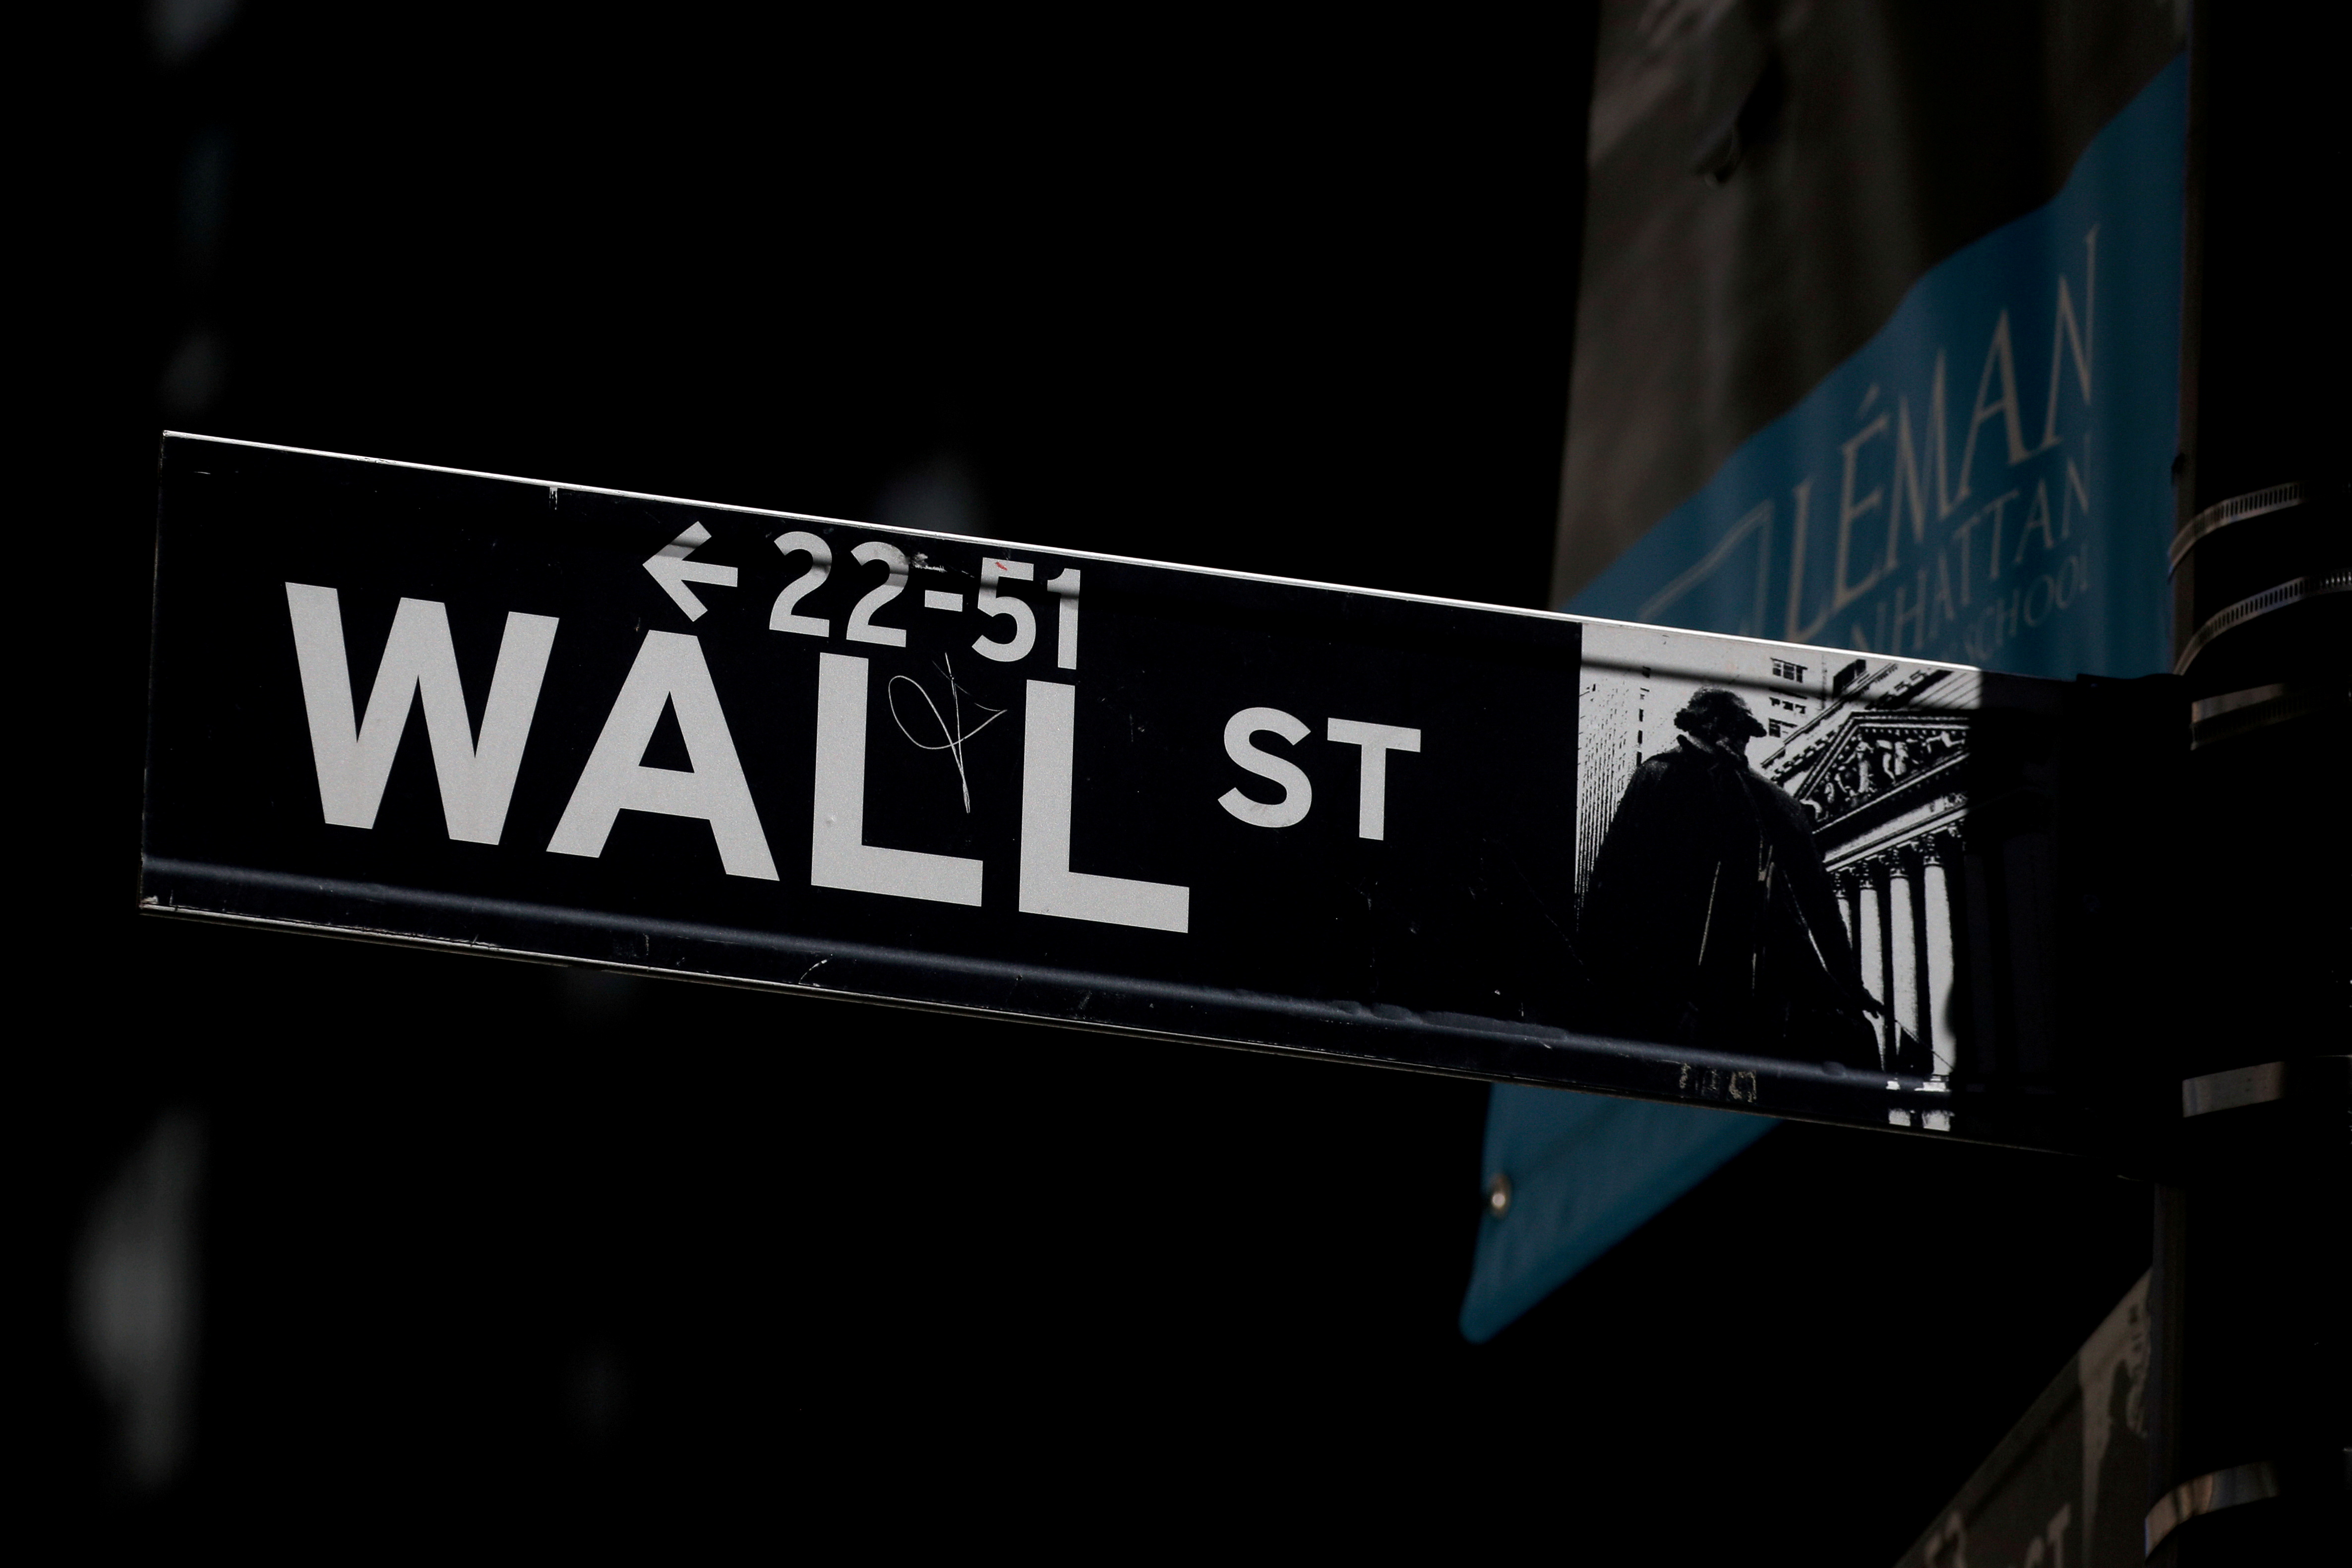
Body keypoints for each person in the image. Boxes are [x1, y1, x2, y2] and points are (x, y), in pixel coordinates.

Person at [1578, 688, 1881, 1067]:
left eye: (1747, 733)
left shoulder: (1766, 797)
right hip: (1664, 975)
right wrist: (1602, 968)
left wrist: (1848, 982)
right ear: (1705, 725)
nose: (1743, 740)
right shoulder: (1660, 775)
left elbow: (1815, 896)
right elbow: (1615, 877)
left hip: (1746, 977)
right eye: (1735, 729)